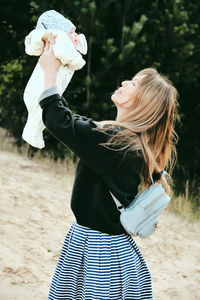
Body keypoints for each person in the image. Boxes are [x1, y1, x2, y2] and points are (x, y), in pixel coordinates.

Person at [38, 37, 178, 299]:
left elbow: (60, 121)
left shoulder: (115, 142)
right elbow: (79, 124)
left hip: (97, 250)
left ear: (143, 101)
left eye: (134, 83)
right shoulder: (130, 142)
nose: (124, 82)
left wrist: (49, 71)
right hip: (112, 248)